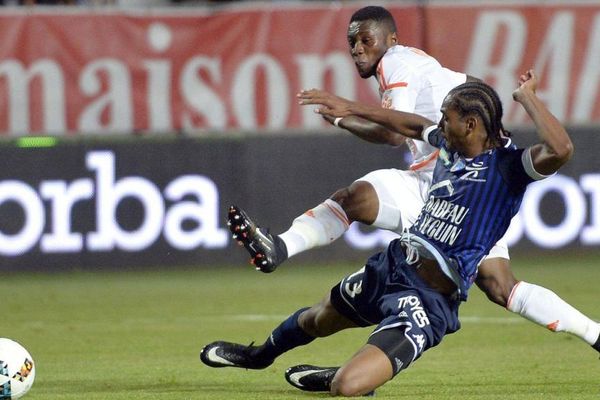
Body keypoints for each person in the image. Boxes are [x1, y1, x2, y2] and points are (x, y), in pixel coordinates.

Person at [226, 5, 600, 351]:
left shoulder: (395, 63)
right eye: (351, 42)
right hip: (463, 185)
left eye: (365, 39)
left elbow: (392, 133)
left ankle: (281, 248)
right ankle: (596, 335)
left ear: (391, 40)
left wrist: (346, 113)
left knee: (353, 199)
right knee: (502, 286)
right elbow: (451, 97)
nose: (357, 49)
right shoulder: (417, 62)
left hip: (446, 183)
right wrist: (346, 117)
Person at [202, 71, 579, 395]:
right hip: (393, 267)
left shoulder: (508, 169)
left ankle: (355, 378)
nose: (441, 125)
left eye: (447, 119)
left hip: (427, 301)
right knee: (317, 319)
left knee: (345, 387)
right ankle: (257, 357)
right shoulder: (450, 146)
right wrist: (350, 108)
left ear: (471, 125)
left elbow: (560, 148)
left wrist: (527, 98)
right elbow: (413, 124)